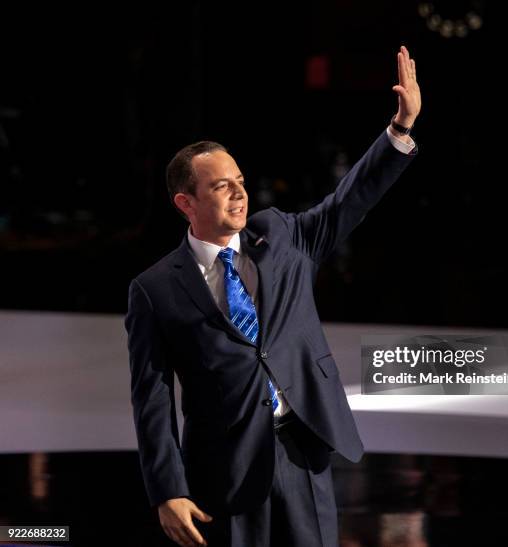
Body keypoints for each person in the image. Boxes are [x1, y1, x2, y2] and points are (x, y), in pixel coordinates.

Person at [125, 45, 421, 547]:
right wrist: (166, 490)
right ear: (185, 202)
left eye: (240, 181)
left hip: (303, 449)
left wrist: (399, 131)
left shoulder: (280, 236)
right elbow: (151, 398)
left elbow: (346, 203)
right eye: (222, 186)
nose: (239, 193)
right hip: (226, 470)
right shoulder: (154, 290)